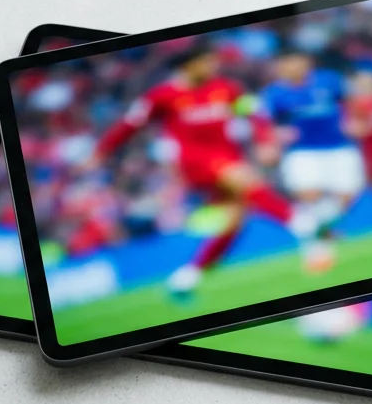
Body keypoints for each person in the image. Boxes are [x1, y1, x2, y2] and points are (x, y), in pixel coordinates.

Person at [77, 44, 298, 295]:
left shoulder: (225, 89)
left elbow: (255, 113)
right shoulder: (162, 96)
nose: (213, 67)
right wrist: (101, 152)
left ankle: (188, 276)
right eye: (206, 62)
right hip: (196, 164)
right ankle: (303, 223)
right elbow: (129, 125)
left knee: (236, 220)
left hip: (228, 158)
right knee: (246, 181)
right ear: (188, 66)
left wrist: (264, 140)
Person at [262, 51, 362, 273]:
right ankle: (316, 249)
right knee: (310, 196)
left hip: (339, 147)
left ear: (306, 62)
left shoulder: (329, 80)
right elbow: (267, 124)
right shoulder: (275, 93)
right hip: (302, 152)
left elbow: (349, 101)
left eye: (295, 60)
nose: (291, 67)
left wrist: (354, 120)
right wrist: (274, 140)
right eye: (285, 62)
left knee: (346, 196)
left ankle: (315, 229)